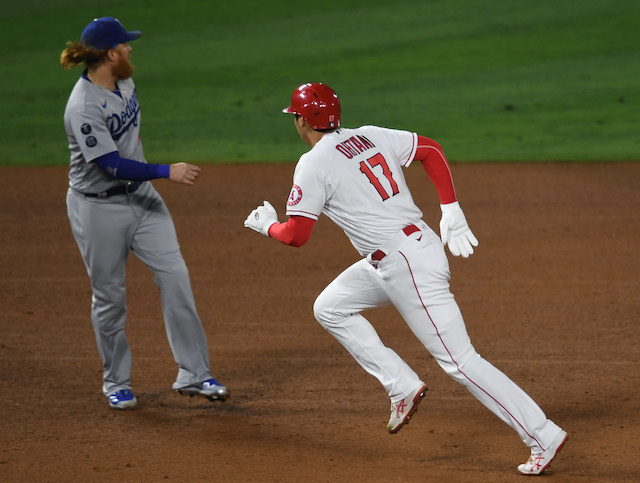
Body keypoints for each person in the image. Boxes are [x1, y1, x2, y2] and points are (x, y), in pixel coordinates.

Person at [244, 82, 567, 475]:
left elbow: (296, 235)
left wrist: (268, 227)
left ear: (301, 119)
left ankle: (542, 434)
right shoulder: (370, 135)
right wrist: (450, 208)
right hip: (404, 254)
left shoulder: (312, 164)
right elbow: (429, 149)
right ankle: (401, 385)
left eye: (293, 116)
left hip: (407, 267)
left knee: (461, 362)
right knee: (330, 307)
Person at [60, 17, 228, 409]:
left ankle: (195, 373)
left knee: (176, 277)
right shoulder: (82, 107)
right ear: (109, 54)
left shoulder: (125, 82)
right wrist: (166, 171)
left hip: (142, 199)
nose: (131, 49)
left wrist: (150, 177)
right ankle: (115, 381)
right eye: (125, 45)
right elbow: (110, 165)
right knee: (110, 298)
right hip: (97, 208)